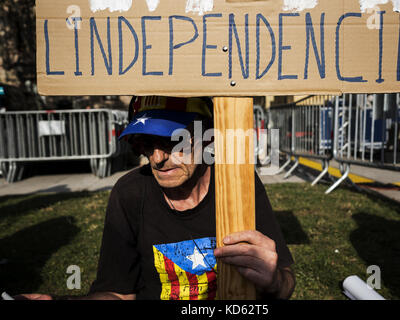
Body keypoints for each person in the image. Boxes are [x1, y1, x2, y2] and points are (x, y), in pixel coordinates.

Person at [17, 96, 295, 300]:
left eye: (173, 141)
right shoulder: (130, 192)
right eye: (145, 144)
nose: (158, 158)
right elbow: (118, 293)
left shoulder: (238, 183)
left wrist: (274, 281)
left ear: (208, 138)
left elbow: (286, 281)